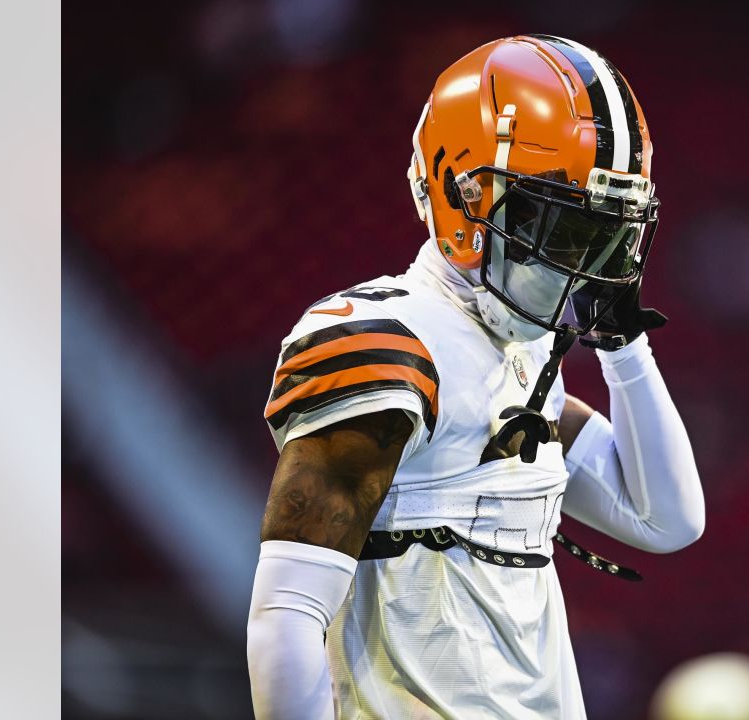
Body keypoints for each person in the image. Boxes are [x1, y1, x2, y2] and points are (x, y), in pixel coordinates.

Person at [245, 34, 705, 719]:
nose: (585, 262)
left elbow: (667, 518)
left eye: (604, 233)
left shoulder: (520, 359)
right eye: (561, 226)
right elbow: (286, 613)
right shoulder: (386, 343)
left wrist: (623, 347)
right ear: (465, 196)